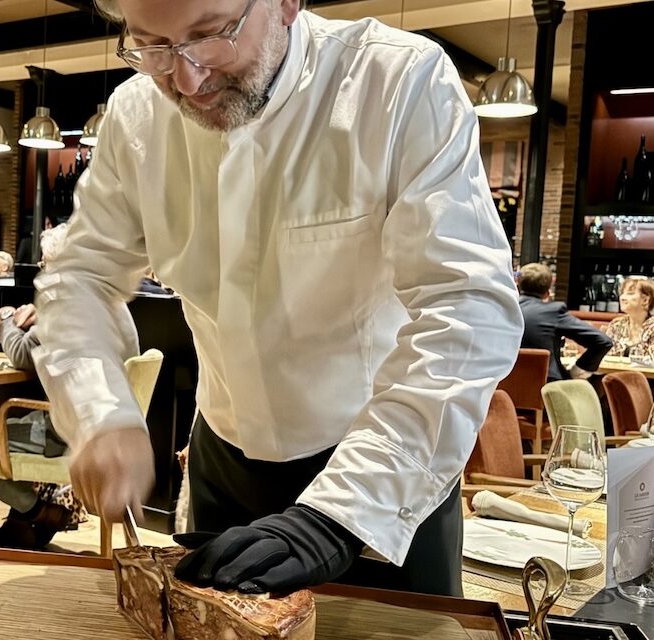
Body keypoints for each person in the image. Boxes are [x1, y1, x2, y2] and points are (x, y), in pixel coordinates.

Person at [30, 0, 523, 598]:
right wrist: (100, 409)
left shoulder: (396, 83)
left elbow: (467, 306)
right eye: (152, 45)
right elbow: (81, 276)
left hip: (385, 466)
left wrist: (341, 514)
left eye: (212, 35)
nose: (187, 79)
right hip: (223, 462)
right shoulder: (136, 115)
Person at [0, 302, 86, 548]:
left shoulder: (70, 312)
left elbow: (21, 354)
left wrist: (6, 318)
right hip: (94, 426)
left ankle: (36, 511)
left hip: (62, 432)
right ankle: (20, 519)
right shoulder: (102, 312)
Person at [517, 262, 612, 381]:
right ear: (547, 292)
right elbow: (603, 341)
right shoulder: (552, 312)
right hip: (547, 387)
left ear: (518, 285)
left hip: (502, 386)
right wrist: (577, 371)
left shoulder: (503, 309)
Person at [604, 277, 654, 359]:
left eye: (630, 293)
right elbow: (605, 357)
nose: (622, 298)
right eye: (622, 293)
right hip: (613, 372)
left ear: (645, 300)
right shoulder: (616, 325)